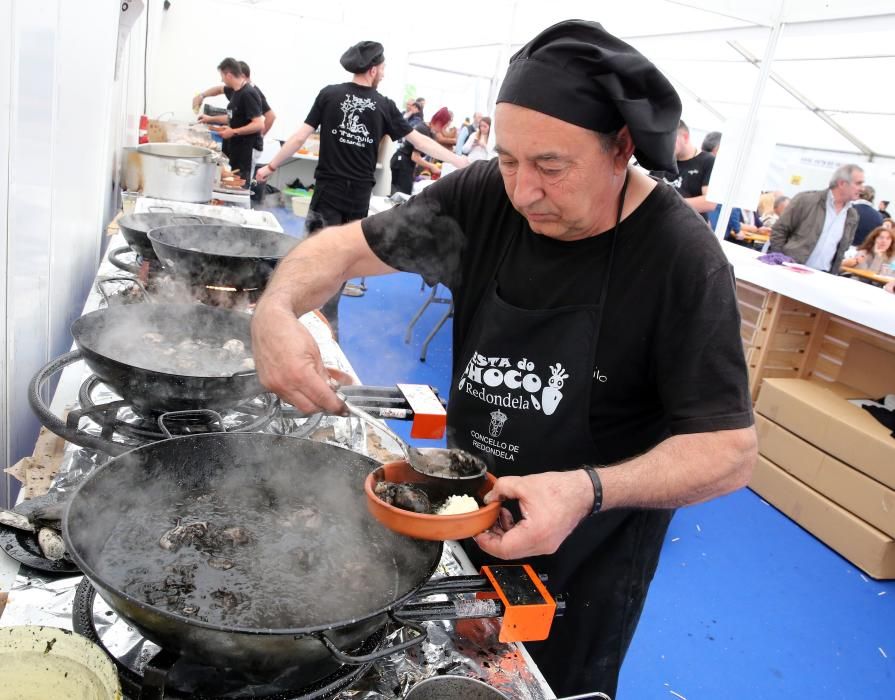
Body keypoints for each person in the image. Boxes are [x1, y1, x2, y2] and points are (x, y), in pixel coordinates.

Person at [250, 19, 756, 698]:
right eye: (510, 159)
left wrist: (585, 489)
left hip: (584, 554)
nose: (522, 192)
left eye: (550, 166)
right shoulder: (482, 198)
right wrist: (275, 310)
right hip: (460, 506)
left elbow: (727, 450)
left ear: (622, 149)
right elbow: (341, 247)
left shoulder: (679, 260)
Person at [254, 41, 466, 338]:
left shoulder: (329, 95)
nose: (384, 74)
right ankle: (325, 330)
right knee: (341, 266)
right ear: (373, 68)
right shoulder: (383, 105)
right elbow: (420, 142)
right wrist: (459, 160)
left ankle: (309, 326)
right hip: (356, 201)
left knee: (313, 259)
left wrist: (270, 167)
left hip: (327, 194)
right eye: (383, 69)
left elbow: (300, 136)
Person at [769, 164, 863, 272]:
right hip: (790, 271)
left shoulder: (852, 215)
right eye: (858, 183)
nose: (862, 188)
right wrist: (780, 262)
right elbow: (779, 230)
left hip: (822, 278)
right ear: (842, 183)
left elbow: (842, 250)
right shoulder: (806, 200)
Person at [196, 58, 264, 181]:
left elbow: (259, 124)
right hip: (236, 147)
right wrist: (210, 119)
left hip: (246, 150)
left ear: (229, 75)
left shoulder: (249, 93)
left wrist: (233, 131)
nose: (221, 80)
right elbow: (232, 117)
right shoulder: (235, 92)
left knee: (241, 186)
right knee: (230, 182)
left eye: (222, 76)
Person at [650, 119, 717, 220]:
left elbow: (709, 202)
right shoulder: (661, 160)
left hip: (689, 228)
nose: (666, 145)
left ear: (685, 137)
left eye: (670, 139)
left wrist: (668, 203)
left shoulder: (707, 161)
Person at [194, 61, 276, 137]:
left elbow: (269, 117)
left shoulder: (251, 93)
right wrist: (202, 96)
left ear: (242, 76)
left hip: (248, 144)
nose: (222, 80)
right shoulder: (235, 89)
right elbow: (219, 90)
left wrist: (259, 137)